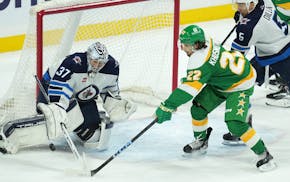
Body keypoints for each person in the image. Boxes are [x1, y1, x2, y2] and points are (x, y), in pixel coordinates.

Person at [154, 24, 276, 171]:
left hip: (240, 84)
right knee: (198, 109)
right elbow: (210, 67)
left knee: (235, 124)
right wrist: (194, 78)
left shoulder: (198, 60)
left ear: (195, 45)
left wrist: (167, 106)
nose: (182, 48)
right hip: (223, 81)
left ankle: (264, 155)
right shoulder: (208, 40)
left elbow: (188, 90)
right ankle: (201, 141)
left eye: (185, 45)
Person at [0, 42, 136, 154]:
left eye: (101, 63)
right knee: (55, 120)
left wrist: (116, 105)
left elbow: (109, 90)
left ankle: (75, 124)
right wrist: (58, 107)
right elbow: (58, 86)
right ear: (88, 57)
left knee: (95, 137)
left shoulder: (112, 68)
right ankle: (9, 134)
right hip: (51, 88)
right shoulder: (73, 63)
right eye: (94, 62)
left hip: (79, 94)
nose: (97, 66)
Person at [223, 0, 290, 144]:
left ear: (251, 4)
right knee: (243, 84)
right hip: (276, 49)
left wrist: (220, 65)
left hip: (280, 57)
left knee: (240, 82)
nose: (239, 8)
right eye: (238, 4)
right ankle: (243, 128)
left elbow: (237, 56)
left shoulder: (249, 27)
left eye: (241, 5)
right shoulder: (266, 1)